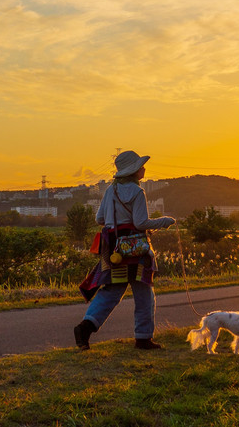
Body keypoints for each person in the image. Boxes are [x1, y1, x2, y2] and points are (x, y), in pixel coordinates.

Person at [74, 150, 176, 351]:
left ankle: (85, 327)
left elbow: (99, 219)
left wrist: (116, 220)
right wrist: (164, 222)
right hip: (135, 250)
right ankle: (143, 338)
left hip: (113, 249)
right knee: (144, 292)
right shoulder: (138, 192)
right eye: (141, 166)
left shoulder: (110, 190)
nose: (144, 168)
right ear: (135, 170)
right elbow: (140, 222)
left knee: (112, 290)